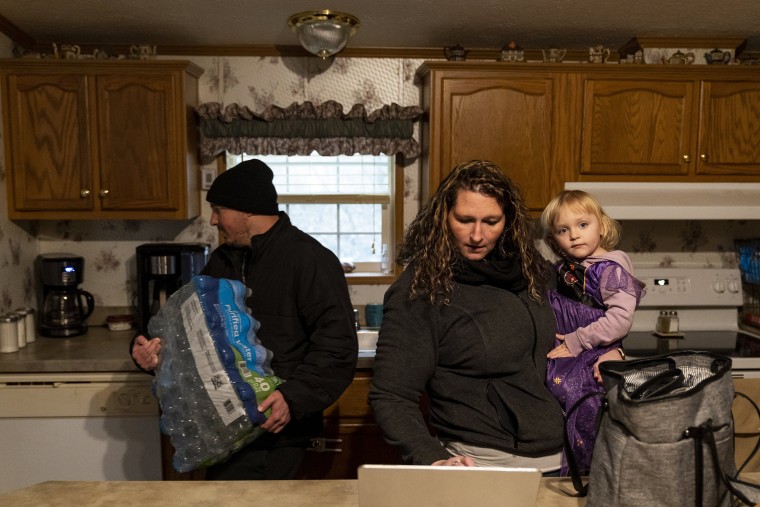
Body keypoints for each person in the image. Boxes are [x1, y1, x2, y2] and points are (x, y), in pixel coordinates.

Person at [131, 159, 358, 480]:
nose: (212, 220)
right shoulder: (222, 260)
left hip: (281, 429)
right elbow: (189, 327)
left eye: (218, 209)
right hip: (226, 428)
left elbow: (337, 348)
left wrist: (292, 399)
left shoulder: (310, 259)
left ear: (246, 210)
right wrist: (151, 348)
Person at [369, 160, 569, 473]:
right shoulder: (422, 290)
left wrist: (607, 347)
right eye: (465, 220)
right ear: (443, 217)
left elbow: (576, 329)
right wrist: (433, 458)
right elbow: (392, 395)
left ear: (509, 220)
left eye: (491, 221)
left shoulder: (533, 272)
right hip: (484, 466)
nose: (477, 235)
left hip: (565, 461)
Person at [540, 189, 645, 476]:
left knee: (582, 403)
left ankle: (588, 473)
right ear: (553, 239)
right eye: (564, 230)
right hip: (565, 353)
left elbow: (621, 319)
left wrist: (578, 341)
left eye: (582, 225)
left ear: (602, 225)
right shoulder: (562, 269)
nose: (574, 235)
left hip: (591, 351)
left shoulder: (610, 268)